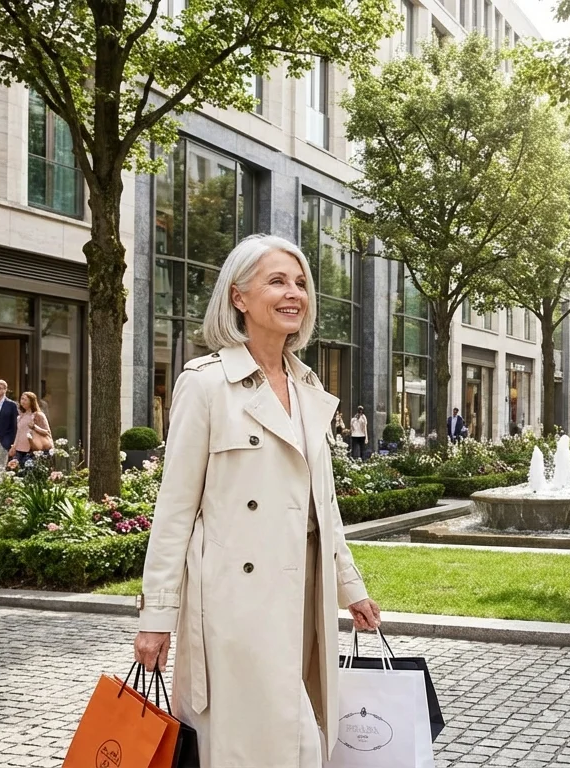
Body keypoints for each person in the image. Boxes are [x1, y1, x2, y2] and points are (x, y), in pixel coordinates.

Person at [134, 234, 382, 767]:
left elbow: (324, 509)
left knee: (301, 740)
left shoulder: (309, 387)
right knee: (258, 747)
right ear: (239, 298)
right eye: (277, 281)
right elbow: (174, 510)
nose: (294, 293)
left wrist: (351, 589)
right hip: (233, 607)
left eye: (300, 283)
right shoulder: (205, 384)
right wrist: (156, 616)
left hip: (304, 603)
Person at [12, 391, 53, 461]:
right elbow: (18, 433)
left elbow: (47, 432)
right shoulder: (20, 417)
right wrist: (14, 447)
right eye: (22, 399)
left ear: (31, 401)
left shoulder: (38, 415)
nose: (23, 402)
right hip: (19, 450)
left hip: (32, 449)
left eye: (25, 400)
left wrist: (34, 427)